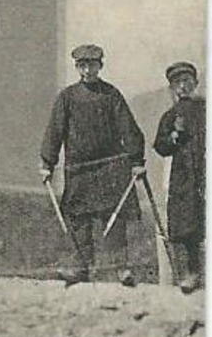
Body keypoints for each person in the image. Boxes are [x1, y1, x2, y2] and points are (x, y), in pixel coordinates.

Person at [40, 44, 146, 285]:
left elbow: (128, 128)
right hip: (79, 169)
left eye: (92, 65)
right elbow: (54, 131)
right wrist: (47, 162)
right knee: (79, 218)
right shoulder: (67, 97)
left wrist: (136, 160)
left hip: (111, 167)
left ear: (101, 66)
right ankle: (80, 268)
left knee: (114, 218)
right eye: (83, 65)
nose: (88, 70)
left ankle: (121, 269)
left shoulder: (111, 95)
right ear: (78, 68)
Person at [154, 61, 205, 292]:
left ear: (196, 83)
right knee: (186, 228)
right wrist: (174, 136)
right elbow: (160, 146)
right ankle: (190, 275)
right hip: (184, 178)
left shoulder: (206, 109)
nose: (182, 87)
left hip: (205, 174)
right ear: (172, 88)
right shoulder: (170, 115)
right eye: (177, 83)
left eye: (187, 81)